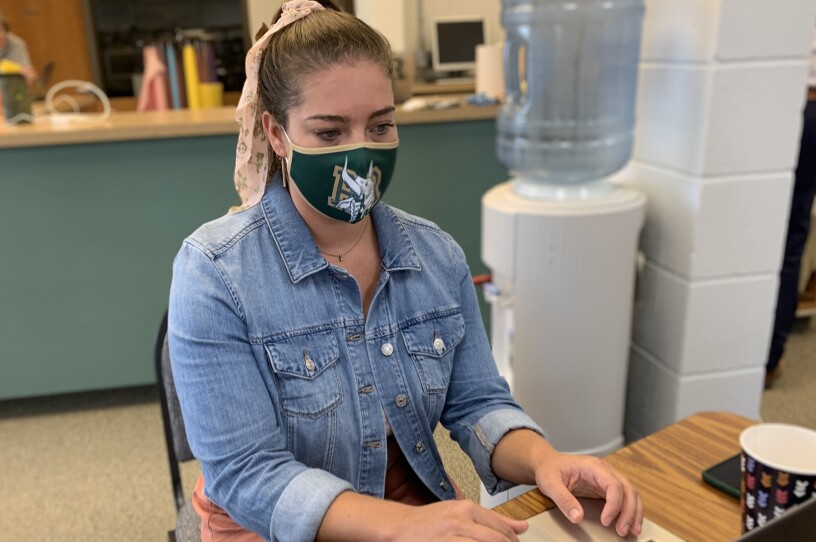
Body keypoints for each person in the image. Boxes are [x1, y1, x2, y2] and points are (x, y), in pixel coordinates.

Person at [168, 2, 643, 540]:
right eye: (329, 133)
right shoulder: (214, 273)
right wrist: (401, 528)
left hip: (411, 506)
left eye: (380, 125)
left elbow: (478, 402)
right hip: (273, 524)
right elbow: (248, 476)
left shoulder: (435, 256)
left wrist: (543, 460)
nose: (359, 151)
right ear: (277, 135)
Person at [766, 27, 816, 388]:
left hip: (789, 99)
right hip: (804, 103)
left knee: (780, 234)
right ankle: (768, 359)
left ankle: (766, 358)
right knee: (790, 236)